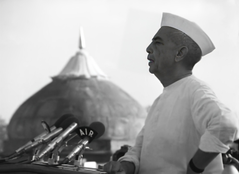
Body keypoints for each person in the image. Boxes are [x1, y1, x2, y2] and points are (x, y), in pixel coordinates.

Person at [103, 12, 239, 174]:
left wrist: (195, 167)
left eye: (158, 43)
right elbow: (139, 149)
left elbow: (225, 124)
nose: (148, 49)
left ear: (180, 53)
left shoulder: (195, 90)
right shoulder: (161, 100)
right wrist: (125, 166)